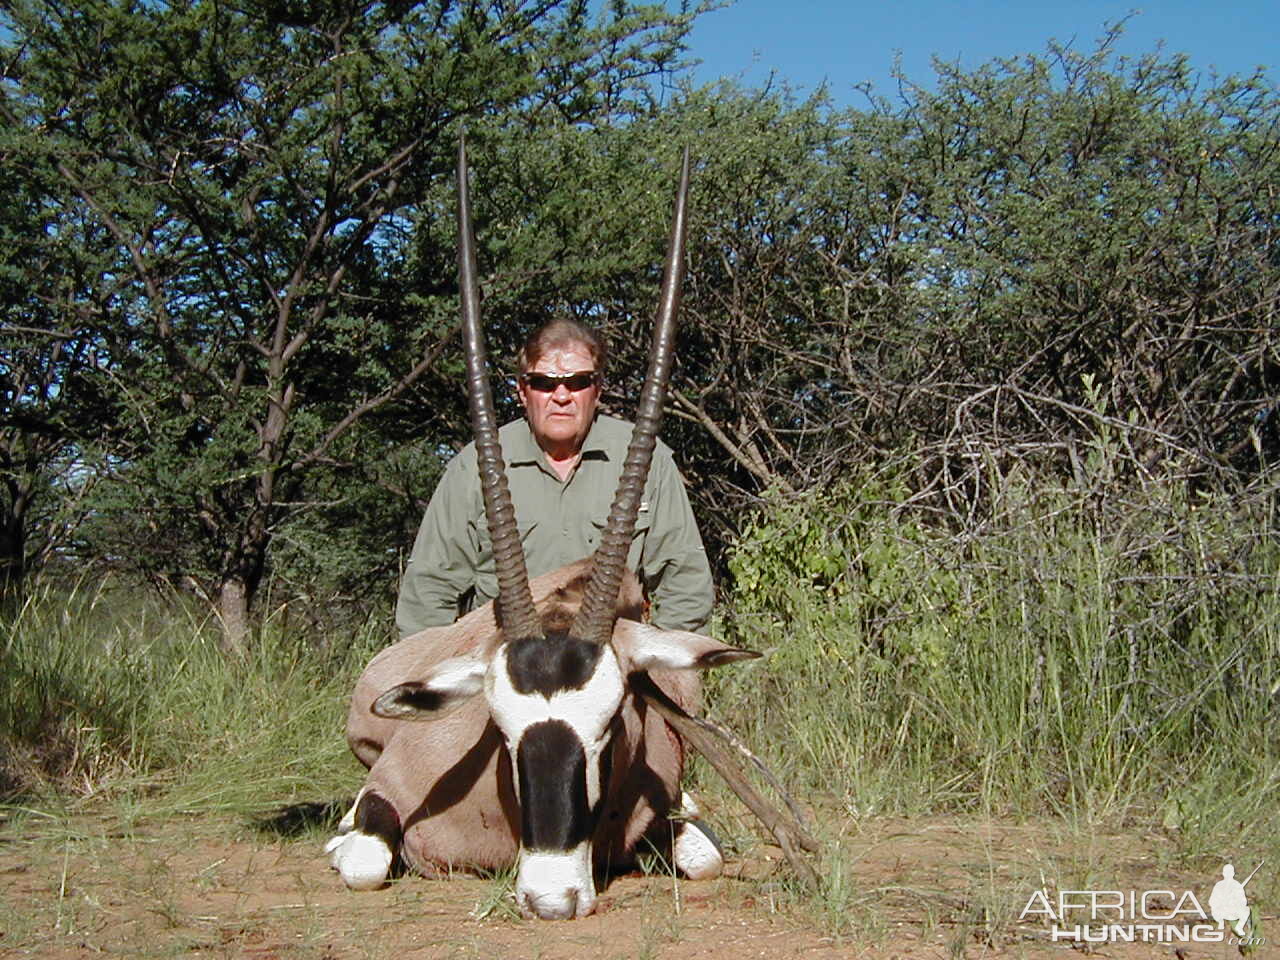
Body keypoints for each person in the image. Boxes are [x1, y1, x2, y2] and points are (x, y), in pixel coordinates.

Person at [396, 318, 714, 638]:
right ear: (522, 391)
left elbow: (686, 582)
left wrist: (657, 670)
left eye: (577, 382)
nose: (561, 396)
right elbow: (428, 591)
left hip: (611, 663)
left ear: (597, 389)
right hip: (504, 661)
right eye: (544, 383)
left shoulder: (647, 458)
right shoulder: (473, 466)